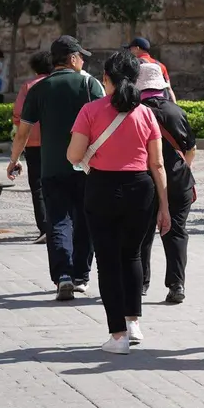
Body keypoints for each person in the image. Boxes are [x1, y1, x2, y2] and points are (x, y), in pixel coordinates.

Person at [67, 51, 170, 354]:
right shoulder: (147, 113)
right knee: (133, 256)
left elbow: (73, 156)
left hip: (102, 187)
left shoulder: (90, 110)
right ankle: (134, 321)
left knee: (108, 262)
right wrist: (164, 206)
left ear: (107, 79)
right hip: (141, 188)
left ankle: (117, 336)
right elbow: (158, 165)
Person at [7, 36, 103, 301]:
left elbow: (23, 131)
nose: (83, 61)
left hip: (51, 168)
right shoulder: (89, 84)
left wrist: (14, 159)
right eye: (81, 56)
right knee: (85, 220)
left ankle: (62, 275)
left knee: (58, 220)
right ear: (72, 58)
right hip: (86, 167)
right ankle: (81, 276)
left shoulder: (39, 88)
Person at [137, 63, 196, 304]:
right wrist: (182, 170)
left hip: (144, 181)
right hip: (177, 180)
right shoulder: (175, 111)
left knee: (142, 234)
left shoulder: (135, 112)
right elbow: (190, 149)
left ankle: (140, 283)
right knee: (176, 231)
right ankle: (176, 285)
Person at [12, 51, 53, 242]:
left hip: (33, 142)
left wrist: (15, 156)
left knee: (37, 185)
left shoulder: (28, 86)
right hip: (56, 142)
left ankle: (44, 226)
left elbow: (18, 115)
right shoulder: (56, 84)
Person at [125, 37, 176, 102]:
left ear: (137, 48)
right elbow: (169, 89)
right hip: (161, 103)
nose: (130, 51)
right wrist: (175, 107)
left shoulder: (132, 65)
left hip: (141, 103)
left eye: (131, 49)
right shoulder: (160, 66)